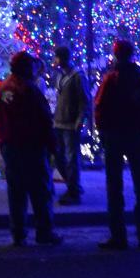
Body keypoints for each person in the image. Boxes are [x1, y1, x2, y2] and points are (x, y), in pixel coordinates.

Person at [94, 39, 140, 250]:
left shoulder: (110, 80)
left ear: (116, 55)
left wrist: (103, 131)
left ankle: (118, 235)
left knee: (114, 187)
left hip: (115, 136)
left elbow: (99, 108)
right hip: (135, 135)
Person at [0, 51, 62, 247]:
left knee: (16, 192)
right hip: (32, 146)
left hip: (11, 147)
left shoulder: (1, 89)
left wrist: (2, 142)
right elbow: (44, 119)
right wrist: (52, 145)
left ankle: (18, 232)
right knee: (40, 191)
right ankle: (44, 231)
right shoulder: (29, 89)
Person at [53, 45, 89, 205]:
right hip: (59, 121)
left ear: (62, 58)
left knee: (71, 157)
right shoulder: (60, 75)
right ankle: (72, 184)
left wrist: (80, 119)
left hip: (70, 123)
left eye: (56, 57)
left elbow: (84, 100)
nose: (54, 60)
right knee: (59, 156)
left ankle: (73, 190)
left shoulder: (77, 76)